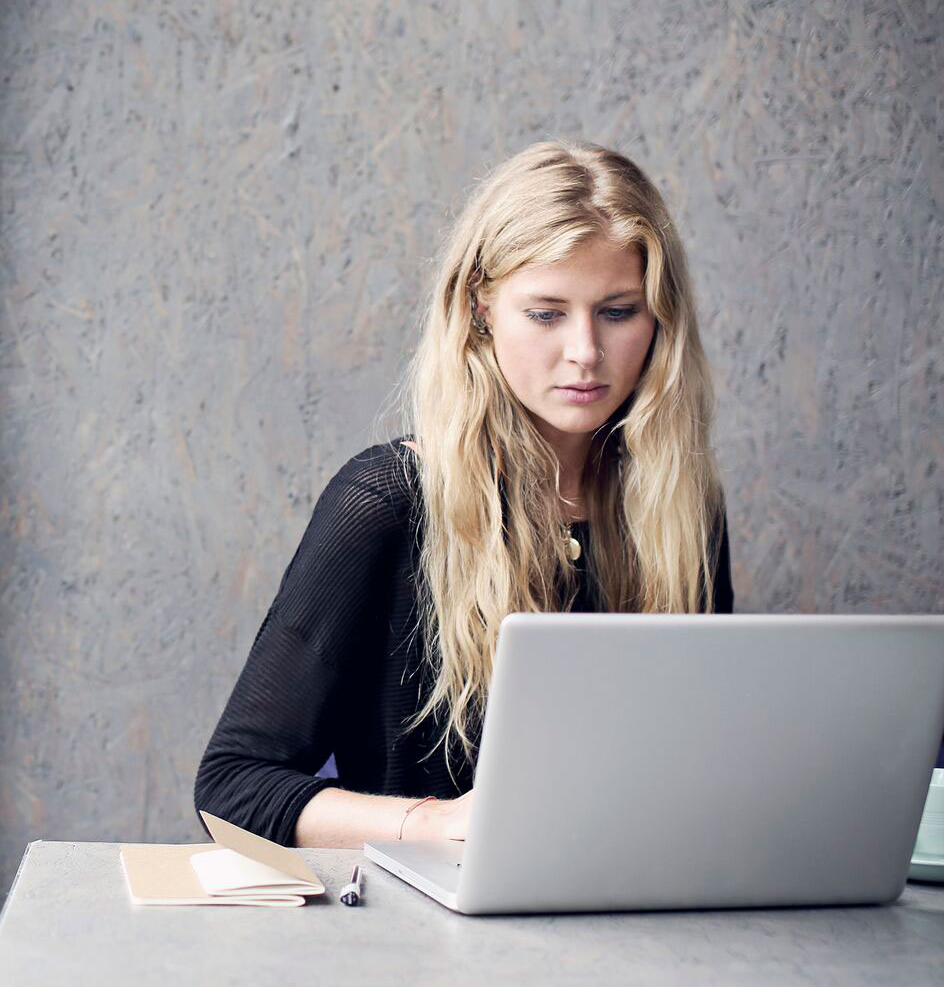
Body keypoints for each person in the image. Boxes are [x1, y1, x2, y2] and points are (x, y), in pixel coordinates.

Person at [193, 139, 733, 849]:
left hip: (632, 925)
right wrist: (437, 822)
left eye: (618, 311)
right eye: (546, 313)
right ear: (480, 308)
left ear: (659, 317)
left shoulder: (681, 509)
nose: (585, 353)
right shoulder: (386, 502)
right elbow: (232, 789)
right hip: (421, 944)